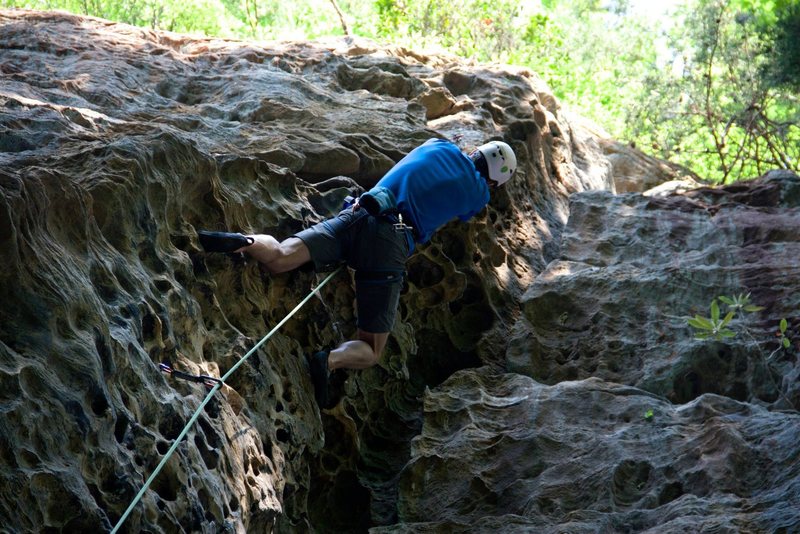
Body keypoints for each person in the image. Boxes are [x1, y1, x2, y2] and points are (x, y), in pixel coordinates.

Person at [198, 137, 516, 408]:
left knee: (281, 255)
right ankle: (329, 361)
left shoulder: (437, 144)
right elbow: (469, 207)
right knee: (372, 349)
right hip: (390, 240)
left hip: (359, 211)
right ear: (492, 180)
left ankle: (247, 241)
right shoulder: (479, 191)